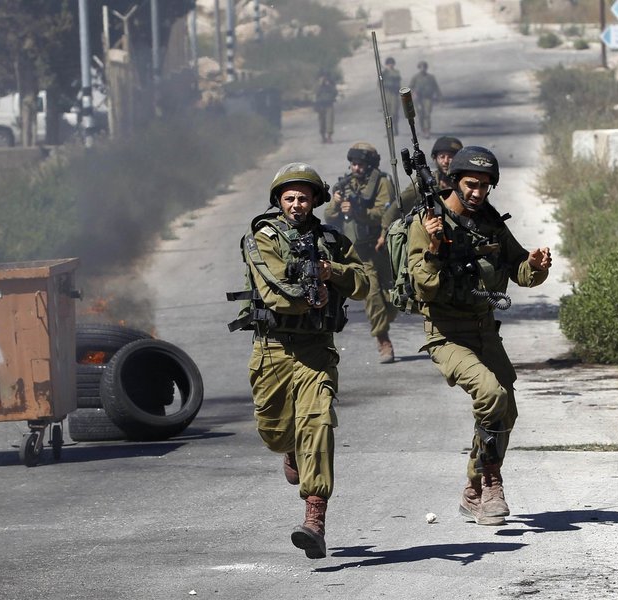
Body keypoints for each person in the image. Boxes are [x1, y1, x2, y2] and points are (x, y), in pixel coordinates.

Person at [228, 163, 369, 559]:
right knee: (274, 432)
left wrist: (332, 271)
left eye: (303, 197)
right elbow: (273, 292)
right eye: (289, 197)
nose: (296, 204)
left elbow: (363, 283)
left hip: (315, 350)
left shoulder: (331, 240)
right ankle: (290, 449)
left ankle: (314, 518)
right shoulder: (262, 238)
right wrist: (312, 295)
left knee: (318, 424)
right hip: (272, 351)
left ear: (314, 201)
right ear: (279, 201)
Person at [406, 146, 552, 526]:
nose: (478, 193)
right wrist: (435, 249)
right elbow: (424, 286)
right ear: (455, 181)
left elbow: (519, 269)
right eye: (472, 184)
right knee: (491, 394)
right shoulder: (428, 222)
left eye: (485, 186)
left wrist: (535, 266)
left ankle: (473, 490)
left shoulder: (488, 221)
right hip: (447, 334)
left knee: (507, 409)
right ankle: (491, 482)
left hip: (485, 330)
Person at [324, 142, 399, 363]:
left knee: (392, 298)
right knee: (372, 294)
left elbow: (385, 212)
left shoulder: (382, 183)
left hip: (382, 247)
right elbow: (329, 217)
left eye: (360, 164)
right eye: (353, 164)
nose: (356, 168)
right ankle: (383, 339)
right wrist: (336, 204)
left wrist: (359, 211)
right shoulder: (344, 186)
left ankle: (384, 323)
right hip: (359, 252)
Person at [408, 61, 441, 138]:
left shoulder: (431, 77)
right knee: (421, 115)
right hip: (418, 99)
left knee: (427, 114)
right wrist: (413, 93)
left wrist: (440, 98)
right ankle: (422, 129)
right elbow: (410, 87)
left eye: (424, 67)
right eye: (421, 67)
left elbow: (436, 87)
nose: (423, 69)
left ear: (426, 68)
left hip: (428, 98)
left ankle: (427, 130)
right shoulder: (415, 77)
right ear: (419, 68)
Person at [314, 71, 338, 144]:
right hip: (320, 105)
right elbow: (315, 94)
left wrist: (329, 85)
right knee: (322, 122)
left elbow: (335, 92)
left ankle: (329, 137)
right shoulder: (318, 85)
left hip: (329, 104)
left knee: (329, 121)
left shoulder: (330, 84)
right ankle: (323, 137)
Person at [381, 57, 402, 134]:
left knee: (394, 113)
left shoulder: (396, 72)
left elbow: (397, 81)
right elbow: (380, 83)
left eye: (391, 63)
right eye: (388, 64)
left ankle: (395, 128)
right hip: (386, 95)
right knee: (387, 114)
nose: (390, 65)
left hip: (394, 95)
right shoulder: (384, 73)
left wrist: (389, 76)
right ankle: (389, 130)